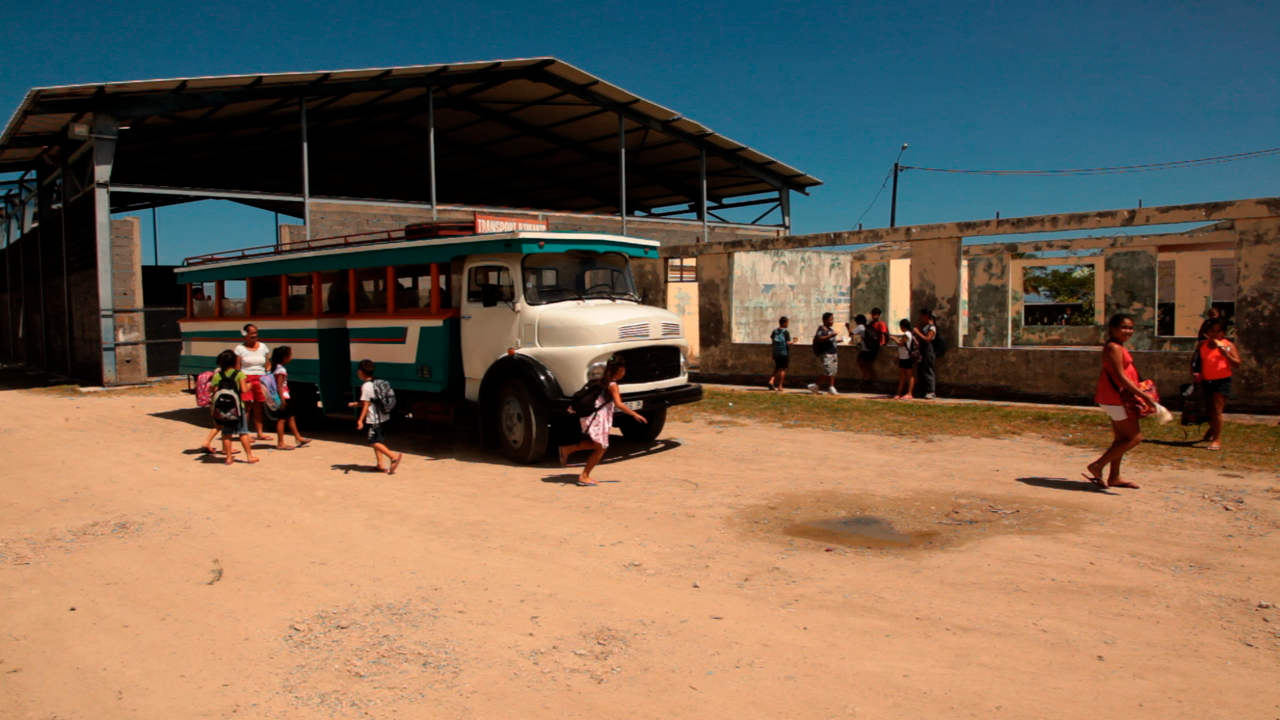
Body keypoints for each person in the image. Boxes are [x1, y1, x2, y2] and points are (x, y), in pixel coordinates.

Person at [1084, 313, 1156, 490]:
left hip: (1115, 398)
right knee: (1135, 437)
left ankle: (1114, 476)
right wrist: (1145, 396)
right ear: (1113, 328)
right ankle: (1097, 465)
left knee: (1121, 439)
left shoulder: (1117, 346)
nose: (1128, 331)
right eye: (1124, 327)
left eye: (1130, 328)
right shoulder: (1113, 348)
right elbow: (1120, 377)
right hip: (1116, 398)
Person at [559, 356, 648, 486]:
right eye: (624, 369)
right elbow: (619, 404)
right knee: (601, 448)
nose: (624, 372)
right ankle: (584, 476)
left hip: (589, 416)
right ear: (620, 370)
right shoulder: (612, 385)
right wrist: (635, 414)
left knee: (597, 444)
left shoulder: (600, 381)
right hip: (597, 419)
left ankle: (567, 450)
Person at [349, 359, 403, 474]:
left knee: (372, 441)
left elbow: (366, 405)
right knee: (378, 440)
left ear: (360, 372)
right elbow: (370, 401)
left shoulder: (366, 386)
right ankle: (380, 464)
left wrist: (360, 420)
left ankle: (393, 457)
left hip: (374, 419)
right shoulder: (377, 382)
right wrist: (356, 404)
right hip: (384, 417)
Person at [1197, 318, 1240, 451]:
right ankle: (1212, 429)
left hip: (1222, 380)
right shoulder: (1202, 345)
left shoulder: (1227, 345)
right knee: (1209, 410)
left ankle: (1216, 439)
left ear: (1223, 333)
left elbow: (1237, 363)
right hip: (1206, 380)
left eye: (1217, 331)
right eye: (1211, 331)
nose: (1214, 334)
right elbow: (1195, 361)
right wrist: (1195, 373)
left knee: (1217, 409)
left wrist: (1225, 354)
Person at [210, 350, 258, 465]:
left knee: (226, 433)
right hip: (237, 408)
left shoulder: (217, 375)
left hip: (223, 408)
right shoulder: (239, 374)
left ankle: (228, 458)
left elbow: (211, 389)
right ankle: (249, 456)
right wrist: (250, 386)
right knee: (243, 432)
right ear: (234, 362)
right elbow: (244, 389)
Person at [234, 324, 273, 442]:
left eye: (256, 333)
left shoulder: (263, 347)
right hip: (246, 379)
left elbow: (267, 363)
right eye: (252, 333)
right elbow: (237, 367)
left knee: (259, 407)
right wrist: (240, 382)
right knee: (247, 407)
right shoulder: (240, 349)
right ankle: (244, 433)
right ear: (245, 335)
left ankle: (260, 433)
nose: (255, 335)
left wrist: (269, 375)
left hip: (261, 379)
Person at [270, 346, 312, 450]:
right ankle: (280, 443)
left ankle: (298, 437)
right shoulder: (281, 370)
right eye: (290, 355)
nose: (291, 357)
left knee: (291, 417)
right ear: (284, 357)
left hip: (284, 396)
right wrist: (282, 400)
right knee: (282, 419)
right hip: (283, 396)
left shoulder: (275, 367)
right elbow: (279, 386)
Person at [807, 312, 840, 395]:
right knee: (827, 370)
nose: (832, 321)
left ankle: (831, 387)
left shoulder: (830, 330)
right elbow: (819, 338)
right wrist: (831, 335)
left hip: (833, 353)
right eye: (830, 320)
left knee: (832, 371)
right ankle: (815, 385)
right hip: (826, 353)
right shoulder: (822, 329)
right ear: (825, 320)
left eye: (833, 320)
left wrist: (839, 340)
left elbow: (830, 340)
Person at [912, 309, 938, 399]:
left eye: (921, 316)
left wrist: (917, 332)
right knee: (921, 371)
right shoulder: (925, 327)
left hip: (928, 351)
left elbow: (928, 339)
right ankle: (923, 390)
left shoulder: (932, 327)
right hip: (922, 351)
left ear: (926, 316)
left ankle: (931, 391)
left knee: (928, 370)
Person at [891, 319, 917, 400]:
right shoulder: (907, 333)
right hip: (902, 357)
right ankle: (899, 393)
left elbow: (901, 343)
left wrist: (894, 339)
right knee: (902, 375)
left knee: (909, 375)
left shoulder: (907, 333)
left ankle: (909, 393)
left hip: (907, 357)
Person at [768, 316, 796, 391]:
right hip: (783, 353)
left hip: (776, 352)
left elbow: (773, 342)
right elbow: (787, 343)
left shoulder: (775, 331)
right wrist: (794, 341)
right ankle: (780, 386)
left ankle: (771, 381)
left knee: (777, 367)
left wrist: (773, 352)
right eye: (787, 322)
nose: (787, 324)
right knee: (782, 369)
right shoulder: (785, 332)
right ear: (784, 323)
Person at [849, 314, 878, 383]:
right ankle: (872, 377)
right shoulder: (868, 326)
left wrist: (847, 326)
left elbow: (851, 333)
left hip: (865, 349)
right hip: (872, 348)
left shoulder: (860, 326)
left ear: (859, 321)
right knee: (868, 363)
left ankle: (866, 375)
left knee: (859, 360)